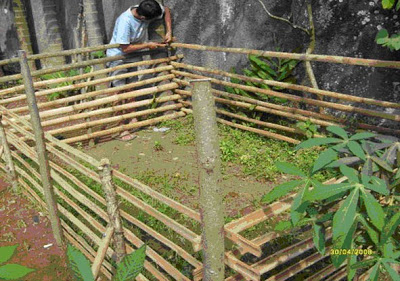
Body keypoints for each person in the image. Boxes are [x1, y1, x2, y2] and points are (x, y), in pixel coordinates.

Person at [106, 0, 172, 141]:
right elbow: (125, 47)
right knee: (119, 91)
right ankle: (121, 126)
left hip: (133, 55)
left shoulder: (148, 9)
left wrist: (169, 31)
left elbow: (165, 9)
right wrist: (147, 44)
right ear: (142, 18)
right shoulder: (125, 21)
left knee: (132, 89)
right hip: (119, 57)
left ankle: (133, 118)